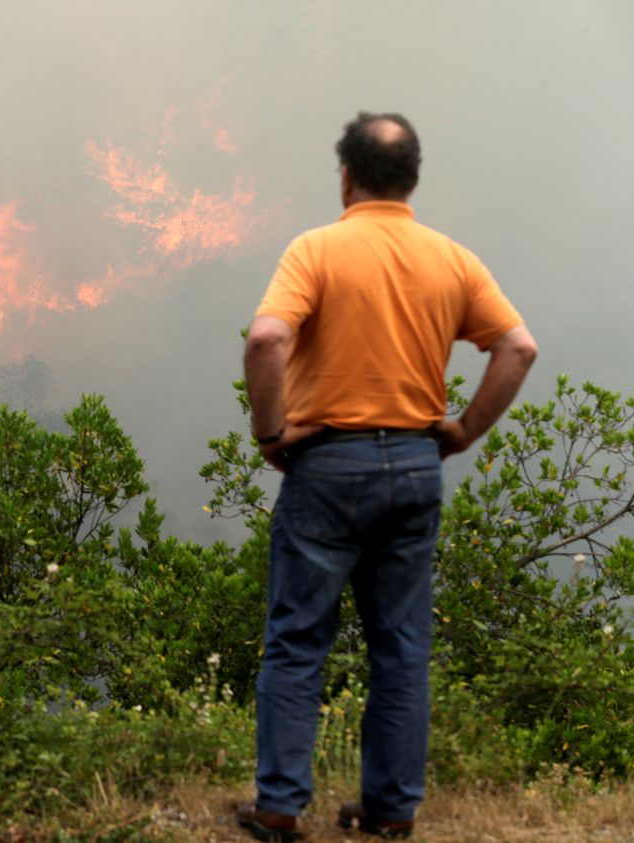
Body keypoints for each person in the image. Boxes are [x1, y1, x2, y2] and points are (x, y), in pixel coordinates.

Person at [234, 112, 537, 842]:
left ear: (347, 175)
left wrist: (270, 431)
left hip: (328, 466)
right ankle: (391, 809)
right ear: (414, 178)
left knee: (299, 637)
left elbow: (270, 336)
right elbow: (518, 348)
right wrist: (462, 430)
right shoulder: (452, 260)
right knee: (400, 646)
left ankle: (279, 806)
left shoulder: (317, 250)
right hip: (413, 463)